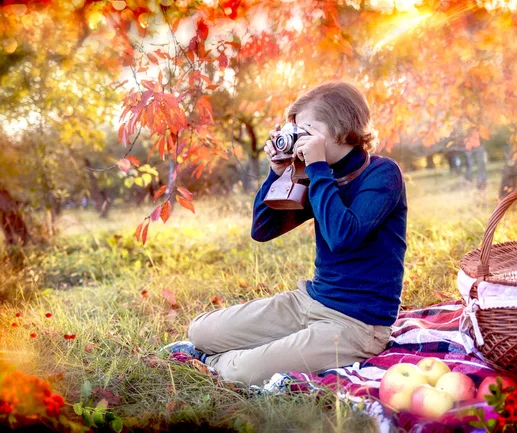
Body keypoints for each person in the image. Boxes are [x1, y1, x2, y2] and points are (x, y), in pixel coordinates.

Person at [162, 81, 408, 387]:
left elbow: (342, 236)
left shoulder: (383, 174)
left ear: (340, 128)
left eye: (306, 130)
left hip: (357, 324)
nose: (298, 139)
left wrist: (317, 167)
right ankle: (228, 356)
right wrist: (277, 173)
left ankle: (216, 362)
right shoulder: (316, 174)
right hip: (310, 301)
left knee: (240, 372)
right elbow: (263, 230)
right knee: (200, 331)